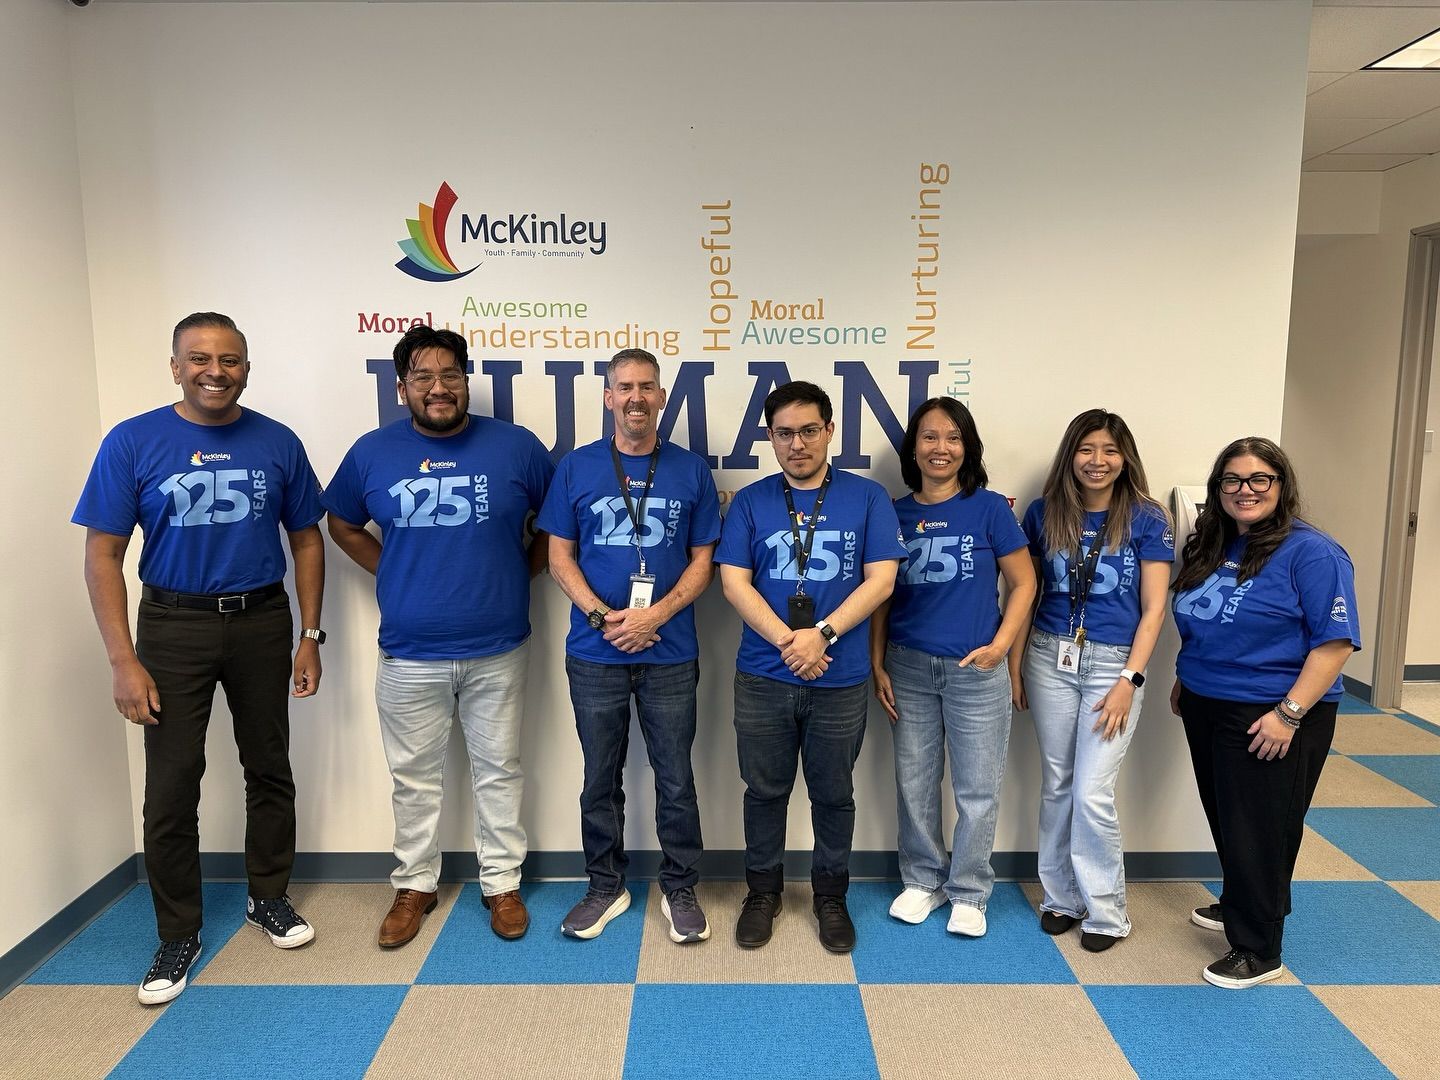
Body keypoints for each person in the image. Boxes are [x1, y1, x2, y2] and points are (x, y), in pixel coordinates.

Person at [74, 312, 325, 1004]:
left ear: (248, 366)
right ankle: (177, 931)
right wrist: (123, 660)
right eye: (201, 358)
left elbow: (306, 538)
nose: (217, 371)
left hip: (262, 621)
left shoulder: (277, 441)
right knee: (172, 783)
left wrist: (311, 634)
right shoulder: (133, 441)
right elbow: (103, 553)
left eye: (232, 359)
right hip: (172, 624)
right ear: (176, 365)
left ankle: (267, 896)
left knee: (269, 766)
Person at [325, 325, 553, 946]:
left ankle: (501, 884)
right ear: (401, 388)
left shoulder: (517, 448)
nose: (438, 388)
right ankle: (414, 885)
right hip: (409, 652)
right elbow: (340, 522)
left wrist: (519, 571)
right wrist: (390, 569)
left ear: (466, 380)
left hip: (499, 646)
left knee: (499, 770)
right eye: (423, 377)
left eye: (450, 375)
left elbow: (558, 528)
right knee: (413, 776)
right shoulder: (372, 453)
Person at [716, 381, 905, 953]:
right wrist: (788, 642)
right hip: (764, 675)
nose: (796, 443)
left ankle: (830, 896)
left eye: (808, 430)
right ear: (769, 438)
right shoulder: (751, 501)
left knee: (833, 793)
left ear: (829, 432)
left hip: (839, 678)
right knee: (764, 791)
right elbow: (733, 582)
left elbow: (883, 579)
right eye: (783, 433)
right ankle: (763, 893)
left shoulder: (868, 498)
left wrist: (821, 635)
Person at [538, 349, 721, 944]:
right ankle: (604, 885)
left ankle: (680, 886)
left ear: (662, 397)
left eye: (647, 387)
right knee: (599, 777)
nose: (636, 397)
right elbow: (558, 555)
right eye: (625, 387)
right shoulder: (576, 468)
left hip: (670, 653)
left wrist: (654, 616)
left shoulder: (691, 471)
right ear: (609, 398)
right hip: (595, 655)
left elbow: (703, 563)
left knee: (676, 778)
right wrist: (601, 617)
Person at [1170, 437, 1359, 989]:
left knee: (1263, 827)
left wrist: (1290, 713)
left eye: (1259, 480)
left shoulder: (1313, 552)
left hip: (1273, 711)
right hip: (1208, 701)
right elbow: (1206, 619)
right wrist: (1188, 678)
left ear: (1281, 486)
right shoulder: (1215, 542)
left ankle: (1258, 949)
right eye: (1232, 480)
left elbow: (1334, 644)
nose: (1245, 490)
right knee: (1229, 815)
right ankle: (1242, 902)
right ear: (1217, 489)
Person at [870, 397, 1036, 936]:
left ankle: (969, 891)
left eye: (953, 438)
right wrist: (878, 664)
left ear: (968, 448)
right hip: (909, 669)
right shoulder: (891, 513)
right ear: (912, 447)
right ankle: (922, 881)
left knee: (977, 789)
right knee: (915, 783)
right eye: (929, 437)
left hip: (976, 671)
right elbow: (881, 597)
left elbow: (1024, 583)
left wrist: (1001, 648)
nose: (940, 448)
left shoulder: (989, 509)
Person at [1017, 409, 1172, 952]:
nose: (1098, 461)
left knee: (1091, 791)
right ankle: (1061, 898)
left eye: (1109, 450)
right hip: (1047, 656)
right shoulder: (1043, 513)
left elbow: (1154, 609)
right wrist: (1015, 663)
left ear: (1125, 456)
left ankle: (1107, 912)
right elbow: (1025, 593)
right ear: (1070, 455)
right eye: (1087, 449)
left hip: (1114, 665)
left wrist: (1131, 678)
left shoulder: (1147, 518)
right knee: (1058, 782)